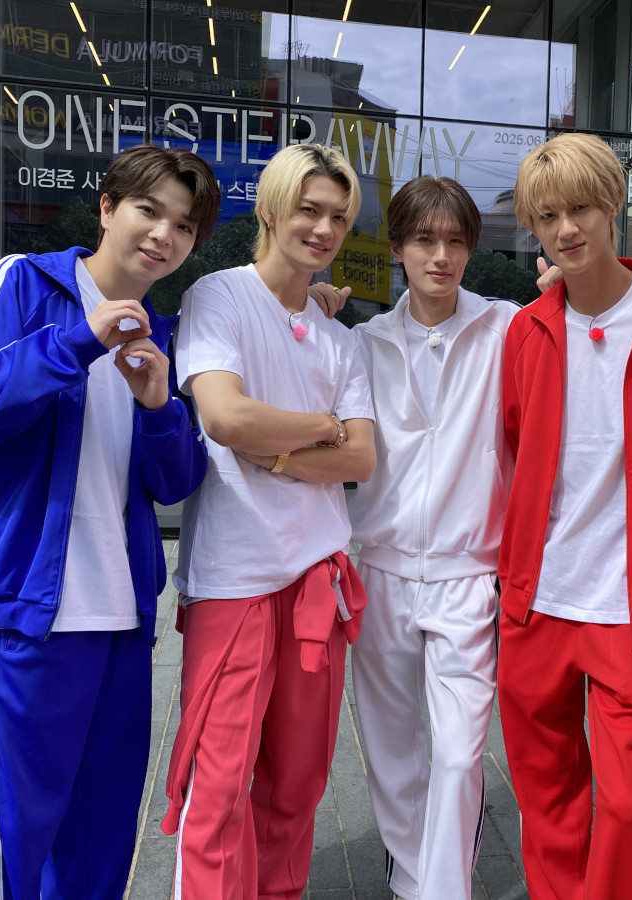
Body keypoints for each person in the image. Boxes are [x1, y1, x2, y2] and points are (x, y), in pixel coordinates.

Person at [0, 144, 220, 900]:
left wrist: (160, 410)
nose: (164, 234)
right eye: (149, 210)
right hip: (26, 614)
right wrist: (76, 343)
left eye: (185, 226)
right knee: (11, 848)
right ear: (108, 207)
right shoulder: (21, 284)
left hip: (120, 623)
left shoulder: (163, 333)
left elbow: (178, 481)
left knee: (98, 851)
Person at [497, 132, 632, 900]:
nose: (566, 229)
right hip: (539, 601)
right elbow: (516, 444)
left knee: (622, 804)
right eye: (547, 216)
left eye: (581, 208)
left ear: (614, 203)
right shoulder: (527, 331)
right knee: (548, 797)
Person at [161, 142, 375, 900]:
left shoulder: (340, 339)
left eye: (339, 217)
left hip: (318, 580)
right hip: (235, 578)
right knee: (218, 783)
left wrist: (277, 451)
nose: (323, 229)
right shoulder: (218, 297)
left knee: (298, 782)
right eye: (309, 209)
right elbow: (225, 417)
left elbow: (361, 459)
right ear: (271, 209)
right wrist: (320, 426)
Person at [340, 175, 519, 900]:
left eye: (454, 241)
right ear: (397, 248)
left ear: (470, 249)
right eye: (424, 240)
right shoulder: (362, 343)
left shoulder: (507, 329)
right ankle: (415, 881)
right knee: (390, 752)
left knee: (457, 756)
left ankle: (441, 890)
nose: (440, 256)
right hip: (379, 570)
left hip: (467, 575)